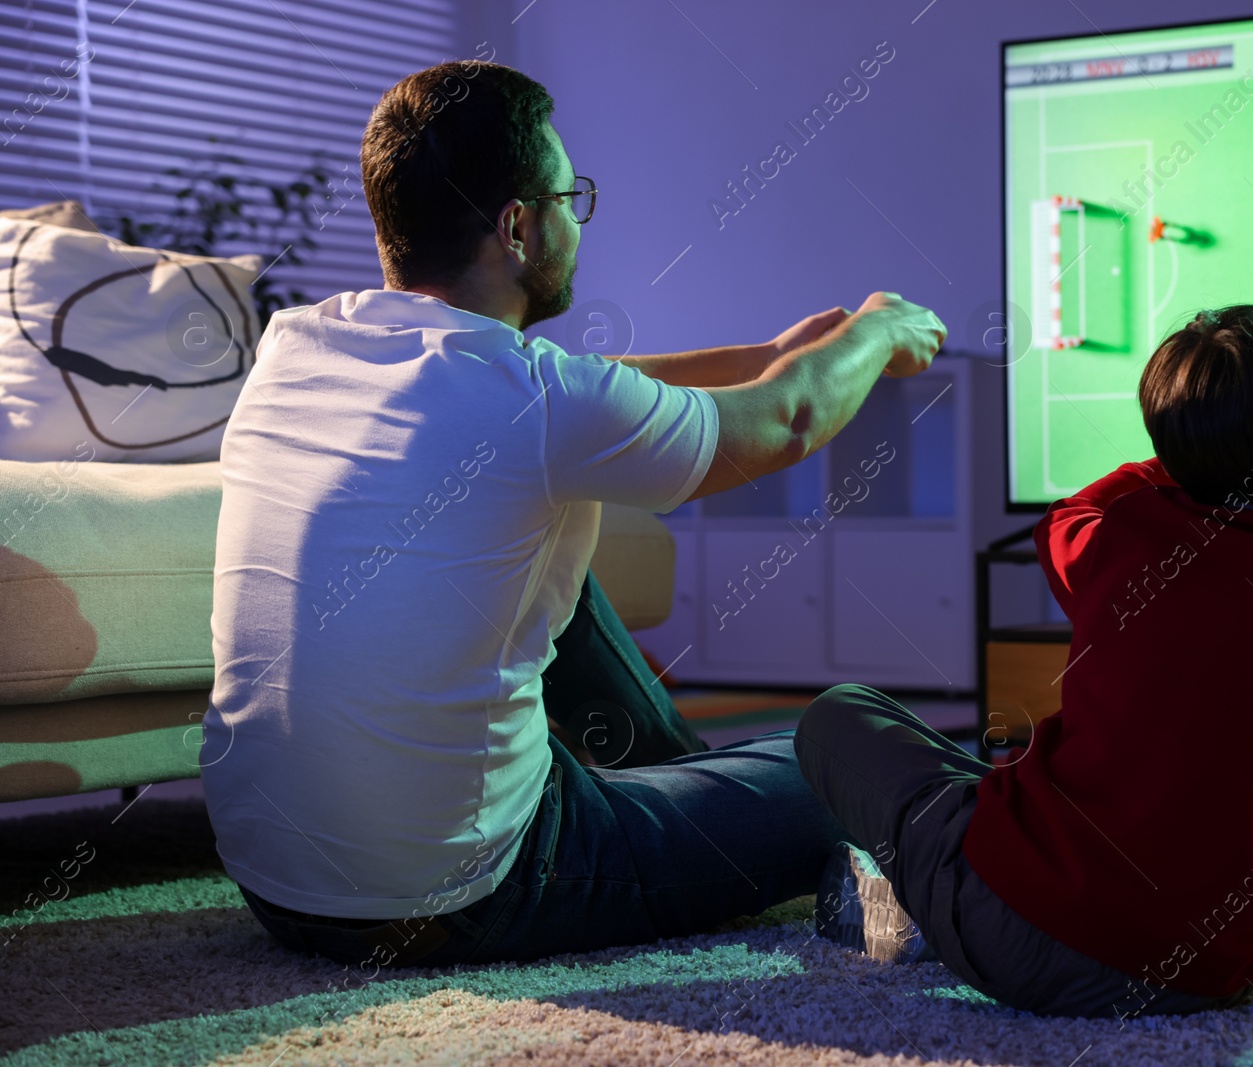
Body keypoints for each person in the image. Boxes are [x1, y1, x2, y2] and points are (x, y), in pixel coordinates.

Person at [199, 59, 945, 970]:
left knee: (556, 569)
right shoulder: (535, 402)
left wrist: (768, 351)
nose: (576, 220)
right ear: (518, 225)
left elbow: (589, 396)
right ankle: (736, 823)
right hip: (470, 892)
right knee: (850, 759)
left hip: (277, 886)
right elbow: (788, 420)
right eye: (568, 197)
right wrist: (875, 330)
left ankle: (687, 792)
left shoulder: (296, 350)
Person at [795, 305, 1253, 1020]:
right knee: (990, 792)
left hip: (1018, 934)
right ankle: (921, 907)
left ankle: (914, 905)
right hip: (1213, 974)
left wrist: (1178, 461)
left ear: (1169, 458)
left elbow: (1061, 519)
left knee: (840, 716)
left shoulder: (1126, 537)